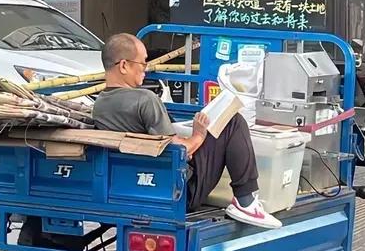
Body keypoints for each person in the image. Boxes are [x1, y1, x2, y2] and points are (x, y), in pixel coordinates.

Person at [92, 33, 281, 229]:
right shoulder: (145, 99)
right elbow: (179, 150)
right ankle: (246, 201)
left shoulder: (99, 105)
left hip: (128, 186)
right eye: (143, 63)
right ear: (123, 65)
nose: (145, 70)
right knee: (233, 121)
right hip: (178, 190)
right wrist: (198, 134)